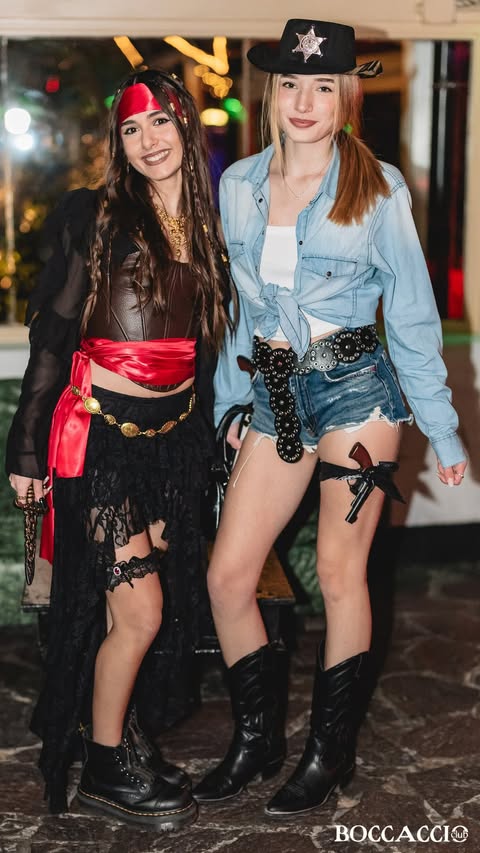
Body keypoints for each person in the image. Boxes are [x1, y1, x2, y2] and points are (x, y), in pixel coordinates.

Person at [193, 20, 468, 818]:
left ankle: (329, 749)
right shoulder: (239, 184)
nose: (304, 101)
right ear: (272, 92)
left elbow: (411, 316)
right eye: (291, 84)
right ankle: (257, 739)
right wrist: (230, 402)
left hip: (357, 392)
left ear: (347, 95)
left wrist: (441, 426)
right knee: (228, 576)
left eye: (323, 86)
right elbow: (239, 310)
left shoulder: (377, 187)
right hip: (275, 393)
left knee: (341, 571)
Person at [5, 68, 233, 829]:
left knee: (129, 611)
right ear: (118, 143)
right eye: (131, 128)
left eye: (160, 121)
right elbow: (52, 337)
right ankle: (104, 767)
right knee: (139, 611)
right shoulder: (98, 214)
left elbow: (200, 351)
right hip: (98, 439)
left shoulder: (208, 224)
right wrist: (26, 450)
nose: (147, 140)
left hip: (170, 446)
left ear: (186, 125)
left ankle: (120, 736)